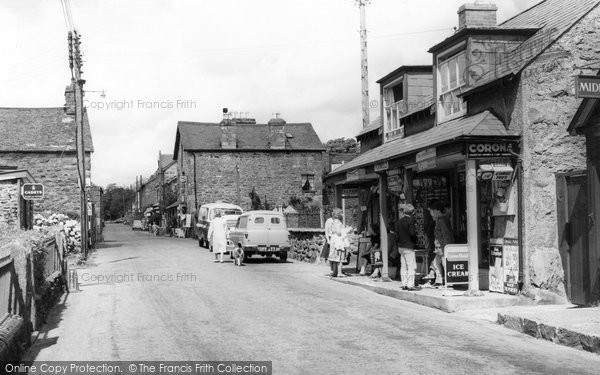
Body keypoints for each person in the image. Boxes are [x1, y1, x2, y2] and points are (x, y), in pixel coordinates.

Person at [423, 200, 454, 287]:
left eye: (432, 211)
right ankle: (439, 281)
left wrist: (446, 248)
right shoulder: (439, 220)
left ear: (437, 210)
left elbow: (446, 235)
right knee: (436, 264)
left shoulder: (442, 221)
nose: (431, 213)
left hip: (443, 248)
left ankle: (449, 282)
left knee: (445, 264)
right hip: (439, 247)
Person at [394, 203, 420, 291]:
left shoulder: (399, 221)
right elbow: (412, 233)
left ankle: (404, 283)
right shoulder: (410, 221)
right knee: (411, 266)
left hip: (401, 247)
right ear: (412, 213)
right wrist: (416, 239)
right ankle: (410, 285)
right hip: (409, 246)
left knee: (403, 266)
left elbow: (396, 235)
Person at [327, 209, 346, 277]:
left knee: (335, 259)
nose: (343, 215)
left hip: (334, 242)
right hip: (338, 242)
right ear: (339, 215)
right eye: (342, 213)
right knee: (339, 259)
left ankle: (334, 272)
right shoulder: (338, 222)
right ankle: (339, 273)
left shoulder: (333, 221)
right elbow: (338, 232)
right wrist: (346, 230)